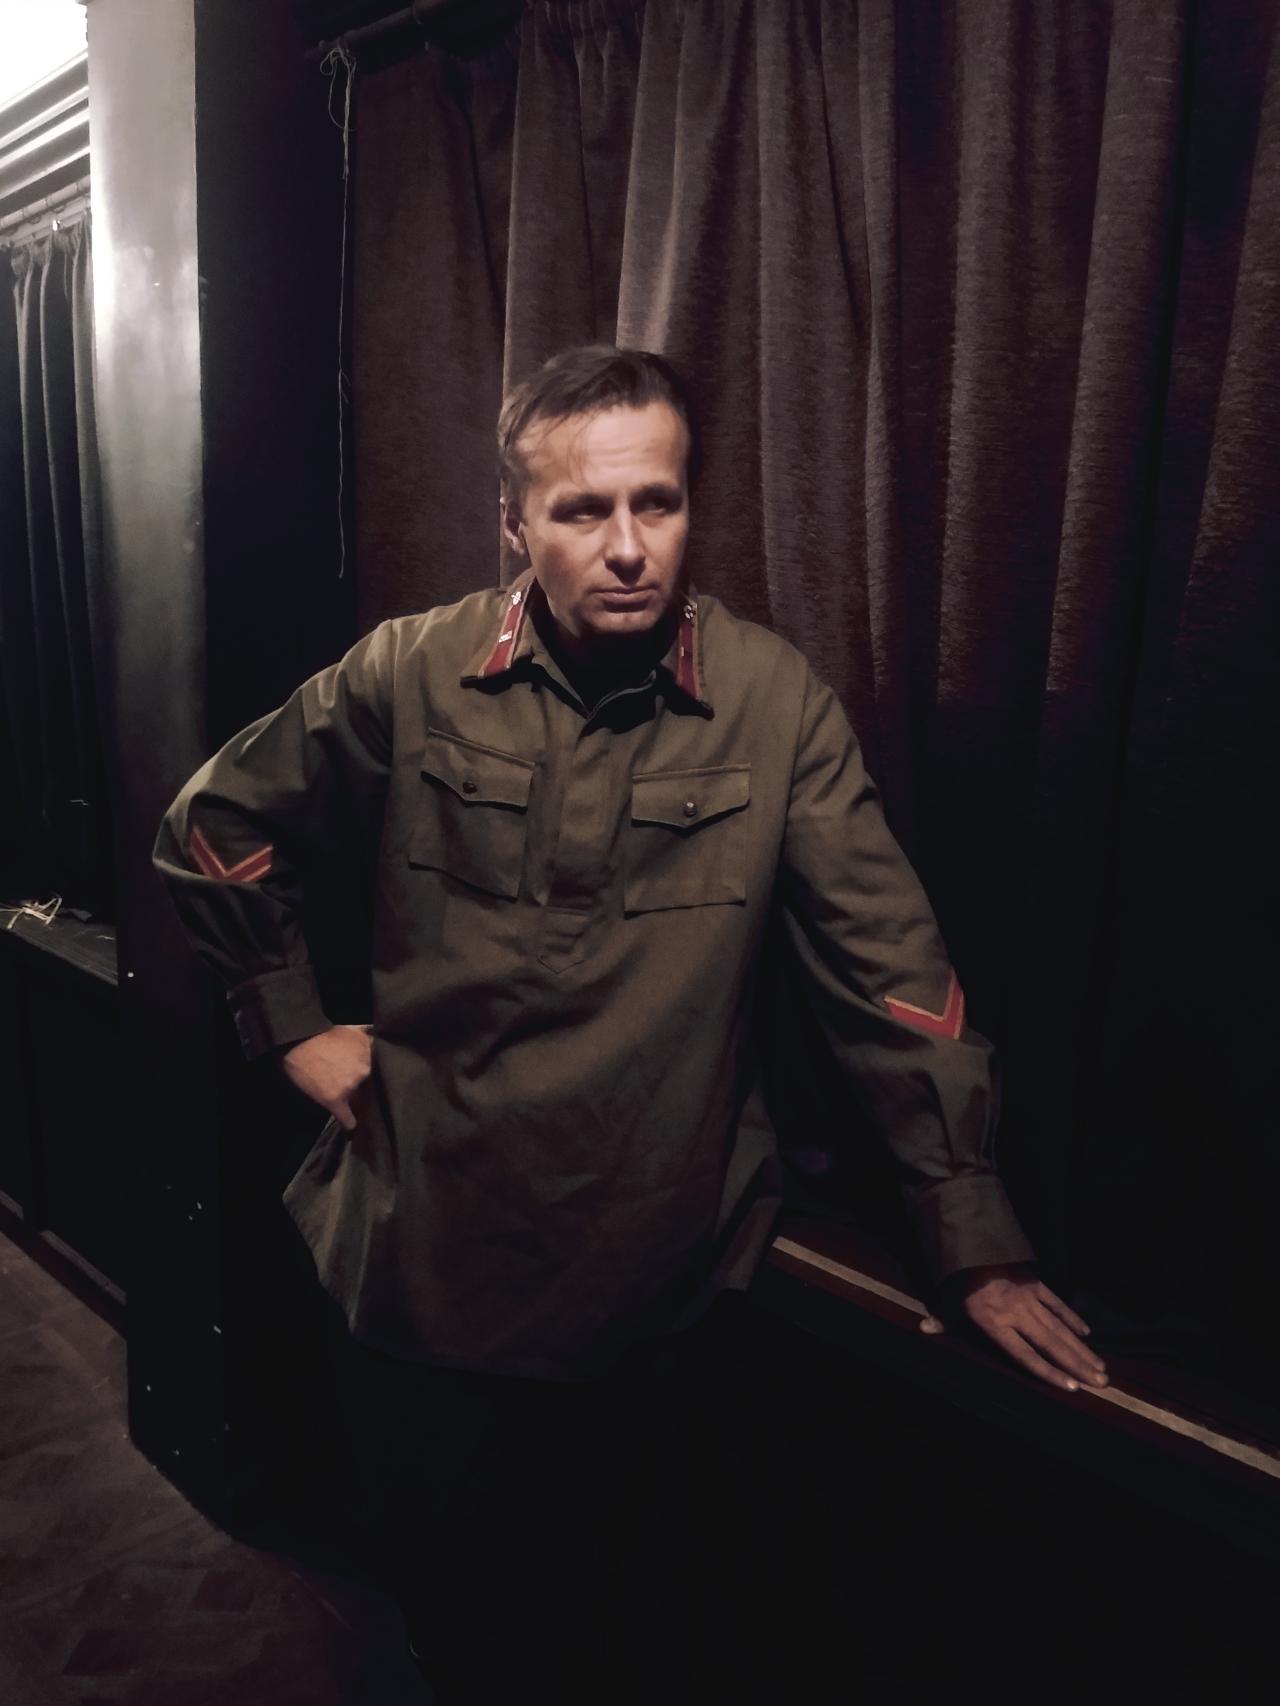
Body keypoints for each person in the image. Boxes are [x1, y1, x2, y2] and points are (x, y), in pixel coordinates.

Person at [153, 344, 1108, 1701]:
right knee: (465, 1621)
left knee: (627, 1628)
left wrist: (971, 1231)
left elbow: (889, 970)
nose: (625, 547)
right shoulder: (413, 671)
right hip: (430, 1251)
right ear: (515, 524)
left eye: (655, 503)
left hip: (654, 1275)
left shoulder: (772, 703)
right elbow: (212, 825)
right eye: (581, 510)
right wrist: (293, 1022)